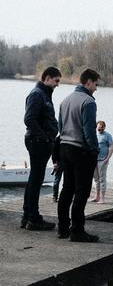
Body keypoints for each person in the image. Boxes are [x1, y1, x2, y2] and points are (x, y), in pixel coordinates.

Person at [57, 68, 101, 242]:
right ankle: (77, 230)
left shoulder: (65, 100)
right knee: (82, 191)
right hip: (81, 150)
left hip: (64, 147)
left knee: (67, 188)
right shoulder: (88, 102)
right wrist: (94, 150)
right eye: (96, 84)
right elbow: (89, 130)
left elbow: (60, 127)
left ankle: (62, 228)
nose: (96, 88)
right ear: (88, 82)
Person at [22, 66, 61, 230]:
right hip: (38, 142)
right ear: (47, 78)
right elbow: (29, 119)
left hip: (39, 142)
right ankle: (33, 218)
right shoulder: (37, 94)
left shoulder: (43, 93)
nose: (57, 84)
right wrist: (45, 138)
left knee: (34, 180)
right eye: (56, 80)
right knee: (35, 181)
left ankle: (27, 216)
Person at [90, 120, 113, 204]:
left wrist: (107, 158)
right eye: (99, 128)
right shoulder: (94, 135)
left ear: (104, 127)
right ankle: (97, 196)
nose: (100, 129)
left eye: (102, 128)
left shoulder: (107, 135)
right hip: (94, 160)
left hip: (103, 160)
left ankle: (102, 198)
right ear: (96, 127)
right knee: (96, 179)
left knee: (102, 179)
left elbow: (111, 147)